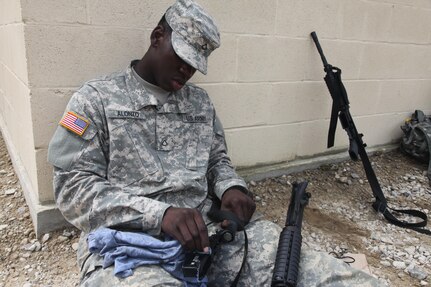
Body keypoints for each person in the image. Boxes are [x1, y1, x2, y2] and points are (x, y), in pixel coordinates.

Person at [48, 0, 384, 286]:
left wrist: (230, 188)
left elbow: (217, 161)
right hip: (131, 245)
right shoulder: (95, 100)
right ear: (157, 37)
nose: (187, 70)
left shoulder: (200, 104)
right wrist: (159, 214)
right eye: (181, 56)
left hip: (210, 235)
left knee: (324, 275)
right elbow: (72, 190)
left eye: (194, 64)